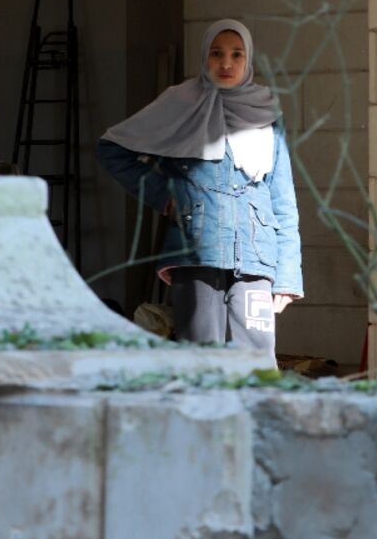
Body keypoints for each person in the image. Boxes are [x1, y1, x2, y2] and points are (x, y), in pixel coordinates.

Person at [96, 19, 303, 361]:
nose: (226, 63)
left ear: (248, 60)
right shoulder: (180, 104)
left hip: (256, 256)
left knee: (257, 359)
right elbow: (112, 150)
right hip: (194, 252)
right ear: (204, 57)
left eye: (237, 54)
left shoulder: (266, 114)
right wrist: (168, 197)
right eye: (216, 53)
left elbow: (283, 199)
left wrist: (287, 276)